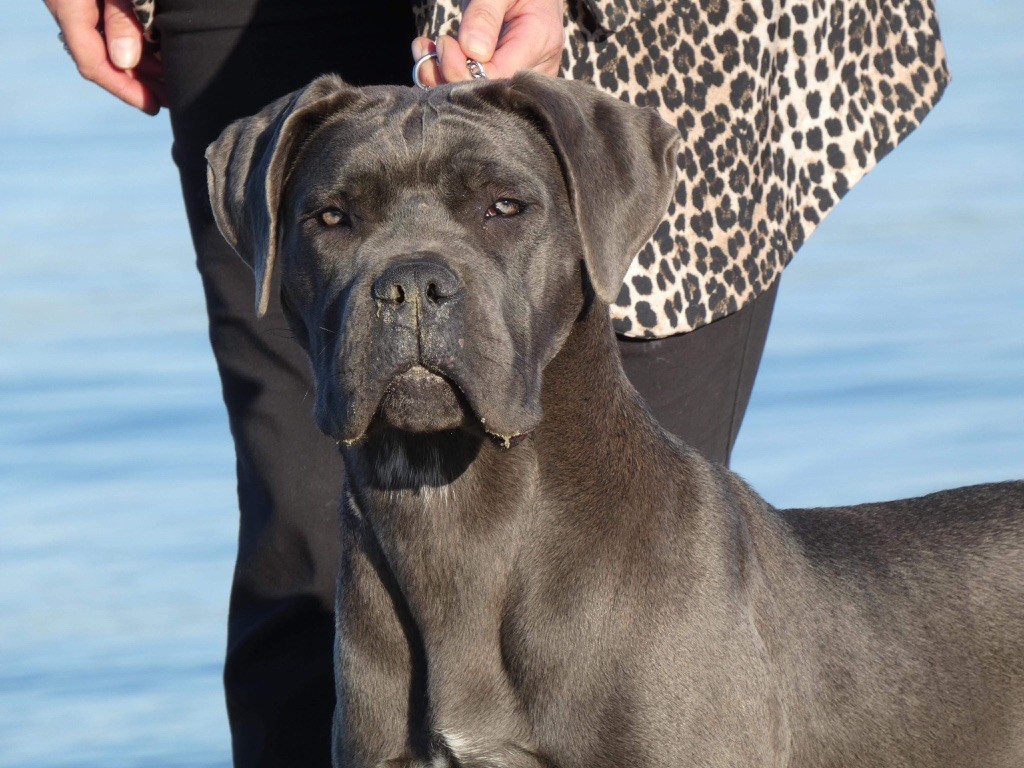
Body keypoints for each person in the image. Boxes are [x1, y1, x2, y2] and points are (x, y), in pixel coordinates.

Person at [42, 0, 949, 765]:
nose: (414, 282)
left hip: (637, 34)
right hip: (259, 18)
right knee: (304, 577)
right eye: (336, 218)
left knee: (630, 597)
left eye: (502, 212)